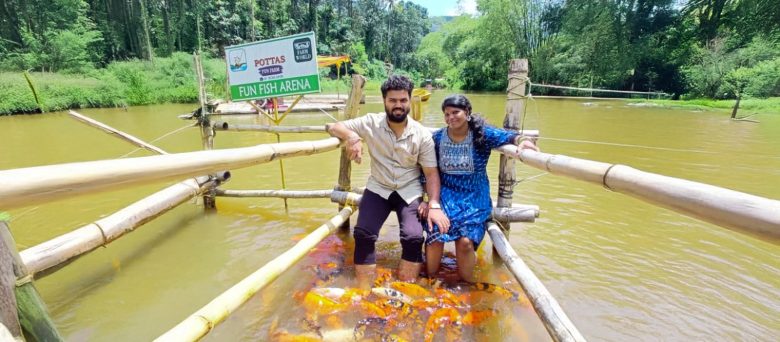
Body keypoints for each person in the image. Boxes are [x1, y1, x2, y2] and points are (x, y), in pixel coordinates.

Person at [326, 75, 450, 288]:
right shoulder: (370, 123)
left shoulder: (422, 135)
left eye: (403, 100)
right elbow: (332, 125)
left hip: (408, 189)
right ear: (384, 101)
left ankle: (406, 288)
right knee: (363, 233)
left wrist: (434, 203)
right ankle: (365, 290)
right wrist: (352, 137)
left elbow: (431, 174)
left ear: (410, 100)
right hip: (379, 187)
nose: (398, 105)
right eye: (393, 100)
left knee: (412, 237)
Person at [419, 94, 539, 283]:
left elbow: (510, 136)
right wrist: (427, 200)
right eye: (447, 114)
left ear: (467, 113)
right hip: (445, 196)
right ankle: (430, 279)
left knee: (465, 242)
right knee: (435, 236)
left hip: (474, 197)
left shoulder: (482, 134)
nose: (451, 117)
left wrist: (522, 141)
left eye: (455, 112)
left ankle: (466, 285)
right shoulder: (437, 138)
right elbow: (425, 169)